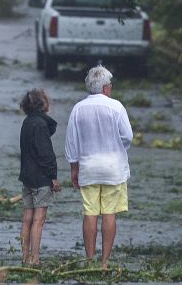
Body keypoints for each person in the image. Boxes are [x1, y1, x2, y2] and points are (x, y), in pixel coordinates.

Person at [64, 65, 133, 270]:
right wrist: (118, 148)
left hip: (88, 167)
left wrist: (73, 167)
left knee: (90, 213)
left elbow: (71, 141)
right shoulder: (116, 107)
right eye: (109, 85)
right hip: (113, 168)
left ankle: (89, 260)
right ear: (104, 88)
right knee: (109, 213)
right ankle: (104, 262)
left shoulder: (78, 108)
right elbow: (128, 136)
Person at [18, 87, 60, 266]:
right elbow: (45, 154)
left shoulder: (27, 122)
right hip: (41, 178)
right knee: (38, 219)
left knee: (27, 217)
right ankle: (35, 258)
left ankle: (24, 256)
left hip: (26, 177)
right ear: (43, 104)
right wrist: (53, 177)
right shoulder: (41, 125)